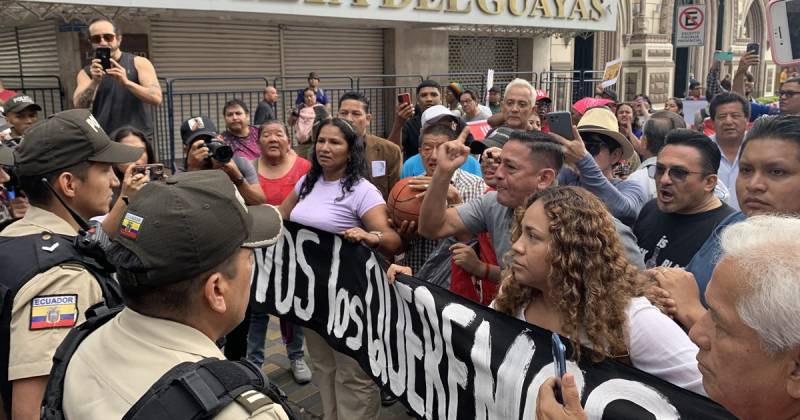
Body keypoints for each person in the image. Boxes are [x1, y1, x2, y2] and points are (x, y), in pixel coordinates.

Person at [61, 170, 289, 419]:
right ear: (216, 290)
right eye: (249, 258)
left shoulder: (84, 340)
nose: (252, 268)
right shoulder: (240, 413)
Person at [537, 215, 800, 420]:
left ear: (796, 370)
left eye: (721, 324)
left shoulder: (636, 319)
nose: (696, 333)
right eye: (707, 310)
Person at [0, 109, 142, 419]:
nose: (115, 182)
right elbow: (33, 408)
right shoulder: (62, 279)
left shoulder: (14, 235)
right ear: (68, 184)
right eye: (105, 171)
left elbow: (89, 242)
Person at [496, 186, 703, 393]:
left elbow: (707, 392)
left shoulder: (632, 320)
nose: (517, 246)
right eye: (521, 232)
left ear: (571, 249)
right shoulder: (513, 297)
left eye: (533, 236)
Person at [278, 118, 401, 420]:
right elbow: (279, 216)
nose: (325, 147)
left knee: (353, 374)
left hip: (350, 301)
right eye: (321, 140)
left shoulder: (362, 191)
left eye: (335, 142)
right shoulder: (306, 183)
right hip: (311, 296)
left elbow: (394, 241)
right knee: (323, 367)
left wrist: (369, 236)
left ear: (350, 151)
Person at [417, 127, 645, 281]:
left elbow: (637, 287)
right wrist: (443, 172)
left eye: (511, 167)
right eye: (499, 164)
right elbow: (432, 227)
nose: (498, 174)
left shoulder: (590, 223)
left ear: (544, 178)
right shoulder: (493, 204)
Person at [666, 115, 800, 319]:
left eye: (776, 172)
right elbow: (687, 281)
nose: (754, 184)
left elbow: (752, 348)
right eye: (746, 170)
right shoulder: (734, 223)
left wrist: (691, 311)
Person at [247, 120, 312, 384]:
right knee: (257, 308)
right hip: (258, 249)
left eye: (279, 133)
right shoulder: (247, 168)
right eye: (266, 134)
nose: (273, 138)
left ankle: (296, 356)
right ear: (258, 141)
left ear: (289, 139)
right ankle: (254, 363)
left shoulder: (304, 168)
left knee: (292, 307)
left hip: (294, 249)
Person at [633, 129, 735, 269]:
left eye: (679, 173)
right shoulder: (650, 209)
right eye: (660, 169)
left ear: (709, 182)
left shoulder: (730, 233)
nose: (664, 180)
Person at [401, 124, 486, 274]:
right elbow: (398, 247)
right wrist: (404, 237)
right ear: (420, 152)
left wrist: (454, 199)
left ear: (454, 151)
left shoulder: (475, 186)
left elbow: (475, 244)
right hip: (414, 277)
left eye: (441, 149)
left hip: (452, 282)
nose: (434, 156)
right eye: (427, 149)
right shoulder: (409, 186)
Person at [555, 108, 647, 226]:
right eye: (579, 146)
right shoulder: (567, 179)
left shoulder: (630, 187)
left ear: (615, 155)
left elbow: (625, 212)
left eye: (591, 148)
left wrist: (584, 160)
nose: (581, 152)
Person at [73, 17, 161, 137]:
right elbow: (78, 105)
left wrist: (127, 83)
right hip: (104, 139)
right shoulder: (86, 72)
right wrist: (94, 82)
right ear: (91, 43)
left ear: (118, 39)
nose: (103, 42)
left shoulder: (139, 63)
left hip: (136, 138)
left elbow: (156, 98)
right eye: (96, 38)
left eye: (108, 37)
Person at [181, 115, 266, 206]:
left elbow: (259, 201)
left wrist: (237, 177)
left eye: (209, 140)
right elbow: (183, 207)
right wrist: (193, 170)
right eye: (198, 145)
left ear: (220, 139)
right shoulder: (182, 173)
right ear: (186, 150)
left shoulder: (238, 162)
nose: (206, 148)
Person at [337, 91, 402, 200]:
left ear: (368, 119)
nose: (348, 118)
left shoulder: (390, 151)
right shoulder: (324, 149)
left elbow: (394, 196)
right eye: (343, 113)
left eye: (356, 114)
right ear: (336, 117)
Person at [401, 105, 481, 178]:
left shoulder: (471, 163)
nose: (440, 131)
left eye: (446, 126)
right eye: (434, 127)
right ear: (422, 131)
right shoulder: (410, 165)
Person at [709, 92, 749, 210]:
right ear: (712, 122)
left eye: (735, 116)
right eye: (722, 117)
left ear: (746, 119)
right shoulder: (702, 151)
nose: (728, 121)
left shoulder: (760, 149)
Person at [390, 79, 442, 159]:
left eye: (434, 95)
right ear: (417, 101)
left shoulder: (453, 121)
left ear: (441, 99)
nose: (429, 99)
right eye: (424, 95)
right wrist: (398, 123)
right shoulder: (409, 125)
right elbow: (391, 150)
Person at [482, 79, 537, 149]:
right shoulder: (493, 133)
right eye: (509, 103)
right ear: (502, 106)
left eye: (522, 104)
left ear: (532, 110)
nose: (514, 109)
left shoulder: (539, 143)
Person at [289, 88, 327, 160]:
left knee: (311, 164)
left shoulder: (320, 108)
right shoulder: (300, 107)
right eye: (306, 96)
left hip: (314, 143)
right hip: (301, 143)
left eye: (311, 96)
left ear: (315, 96)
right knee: (302, 164)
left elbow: (329, 123)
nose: (309, 98)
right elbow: (290, 123)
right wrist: (293, 115)